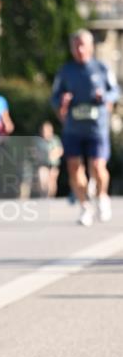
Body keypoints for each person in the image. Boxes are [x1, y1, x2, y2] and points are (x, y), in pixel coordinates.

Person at [51, 29, 119, 226]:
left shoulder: (102, 68)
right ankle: (85, 207)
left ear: (90, 47)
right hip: (73, 128)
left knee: (97, 166)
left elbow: (115, 91)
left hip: (97, 128)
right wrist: (62, 100)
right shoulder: (66, 71)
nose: (79, 49)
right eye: (76, 46)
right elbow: (54, 97)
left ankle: (102, 196)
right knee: (74, 168)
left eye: (83, 45)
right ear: (72, 48)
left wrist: (104, 97)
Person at [30, 121, 63, 198]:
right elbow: (33, 151)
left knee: (52, 181)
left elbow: (60, 150)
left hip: (53, 164)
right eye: (44, 130)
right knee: (42, 180)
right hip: (42, 163)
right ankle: (43, 196)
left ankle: (50, 197)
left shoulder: (55, 139)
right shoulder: (37, 140)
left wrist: (53, 155)